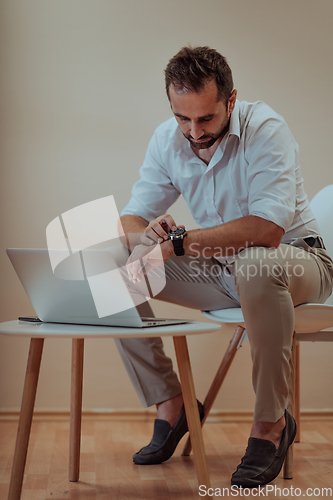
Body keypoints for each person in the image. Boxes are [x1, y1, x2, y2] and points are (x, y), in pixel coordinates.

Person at [116, 46, 333, 487]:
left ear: (231, 101)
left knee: (256, 261)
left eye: (206, 119)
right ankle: (172, 403)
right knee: (117, 267)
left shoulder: (266, 128)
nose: (194, 133)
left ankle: (271, 424)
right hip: (223, 270)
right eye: (183, 119)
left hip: (298, 262)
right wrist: (149, 239)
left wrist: (178, 244)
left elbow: (268, 230)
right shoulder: (167, 139)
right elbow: (130, 218)